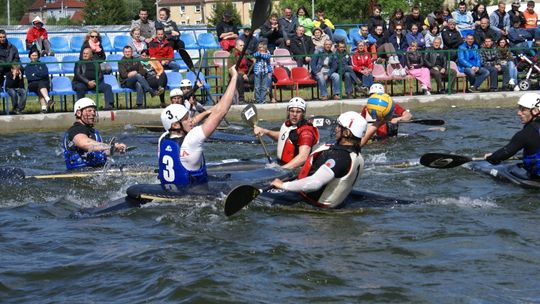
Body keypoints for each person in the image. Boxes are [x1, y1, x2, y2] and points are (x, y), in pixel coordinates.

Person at [157, 66, 238, 188]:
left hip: (170, 190)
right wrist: (234, 77)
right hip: (195, 195)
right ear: (175, 124)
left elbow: (192, 121)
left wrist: (207, 112)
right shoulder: (192, 140)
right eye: (186, 118)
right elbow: (222, 110)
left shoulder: (162, 139)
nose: (191, 120)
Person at [270, 111, 366, 209]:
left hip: (311, 204)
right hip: (333, 204)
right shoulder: (357, 155)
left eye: (339, 126)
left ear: (346, 133)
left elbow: (315, 183)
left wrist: (283, 185)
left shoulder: (339, 158)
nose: (336, 128)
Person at [253, 97, 320, 169]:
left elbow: (303, 157)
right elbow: (283, 137)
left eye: (298, 112)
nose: (294, 114)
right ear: (288, 112)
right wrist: (265, 131)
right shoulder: (290, 124)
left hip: (295, 170)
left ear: (303, 114)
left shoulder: (306, 132)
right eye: (292, 111)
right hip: (282, 164)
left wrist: (281, 169)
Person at [485, 93, 540, 180]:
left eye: (523, 110)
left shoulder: (527, 132)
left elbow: (505, 153)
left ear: (535, 111)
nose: (518, 113)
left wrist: (491, 157)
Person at [63, 98, 127, 170]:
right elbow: (84, 143)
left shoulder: (93, 132)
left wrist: (114, 149)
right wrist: (109, 146)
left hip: (96, 168)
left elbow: (100, 152)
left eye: (94, 111)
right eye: (89, 111)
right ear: (78, 113)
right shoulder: (75, 130)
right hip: (79, 170)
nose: (93, 113)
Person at [24, 49, 52, 113]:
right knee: (40, 84)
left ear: (38, 56)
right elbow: (30, 77)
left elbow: (45, 74)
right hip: (32, 84)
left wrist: (35, 74)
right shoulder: (28, 66)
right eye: (33, 55)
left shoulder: (42, 64)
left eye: (36, 55)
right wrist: (39, 75)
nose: (34, 57)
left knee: (40, 86)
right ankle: (48, 100)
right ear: (30, 56)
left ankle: (44, 108)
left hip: (43, 84)